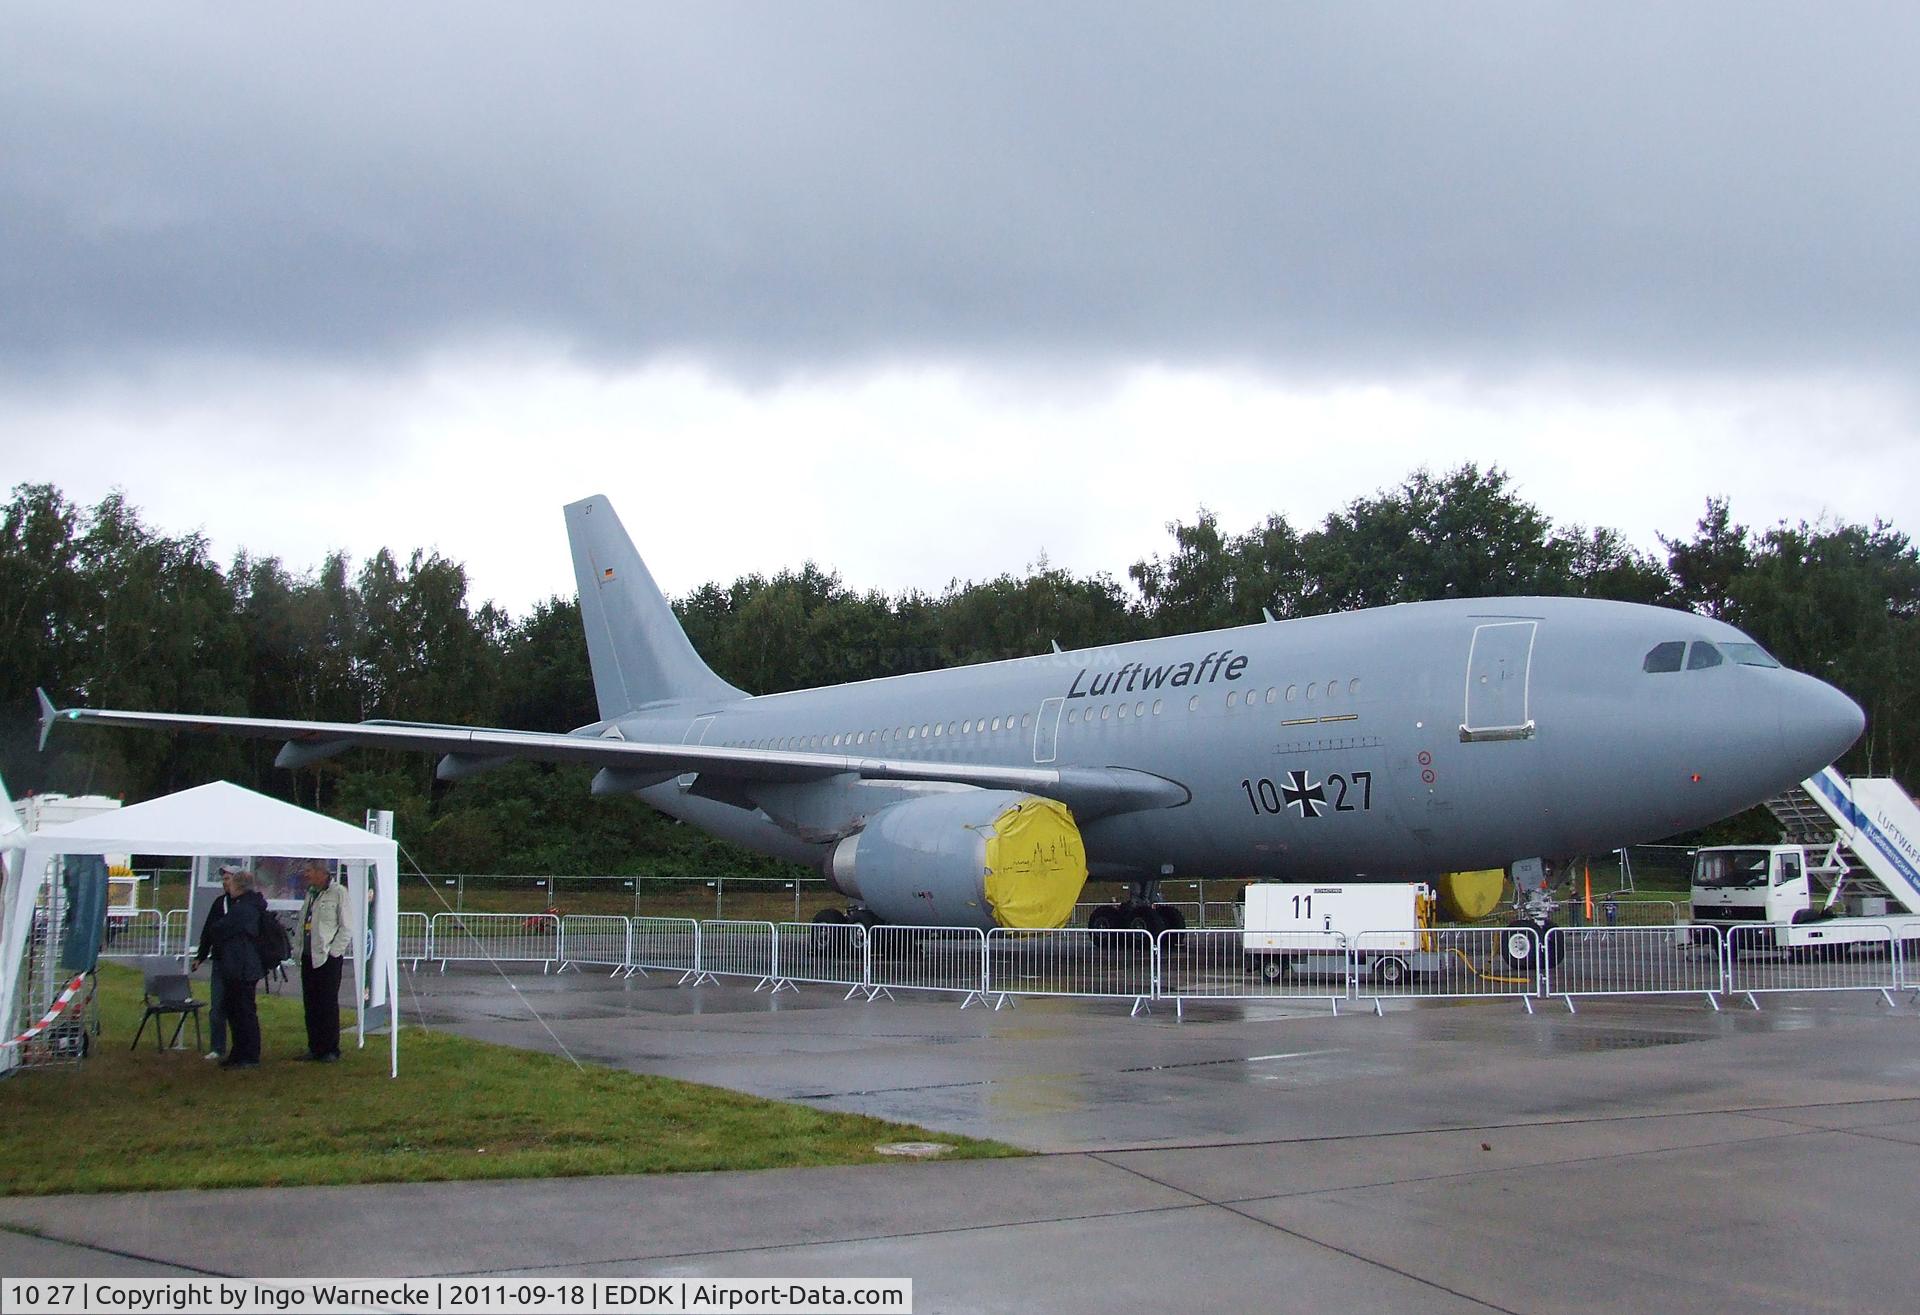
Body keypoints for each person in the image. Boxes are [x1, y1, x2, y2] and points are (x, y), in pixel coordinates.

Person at [205, 867, 267, 1069]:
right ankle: (239, 1052)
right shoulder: (250, 905)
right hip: (240, 966)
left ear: (239, 886)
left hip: (242, 967)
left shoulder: (243, 908)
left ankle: (248, 1054)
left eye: (230, 883)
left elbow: (219, 928)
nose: (227, 886)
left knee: (244, 1012)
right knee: (236, 1011)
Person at [297, 860, 351, 1062]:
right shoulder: (311, 893)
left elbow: (346, 927)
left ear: (321, 873)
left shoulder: (338, 893)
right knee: (311, 1003)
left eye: (309, 871)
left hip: (327, 957)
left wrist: (334, 952)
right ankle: (315, 1046)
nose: (306, 875)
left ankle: (330, 1048)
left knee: (327, 1002)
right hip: (309, 955)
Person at [191, 864, 241, 1060]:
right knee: (217, 1006)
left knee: (238, 1006)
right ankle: (217, 1047)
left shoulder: (245, 903)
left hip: (239, 963)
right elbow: (209, 931)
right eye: (223, 879)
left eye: (228, 878)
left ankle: (240, 1046)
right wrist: (200, 956)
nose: (224, 882)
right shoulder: (220, 903)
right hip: (220, 961)